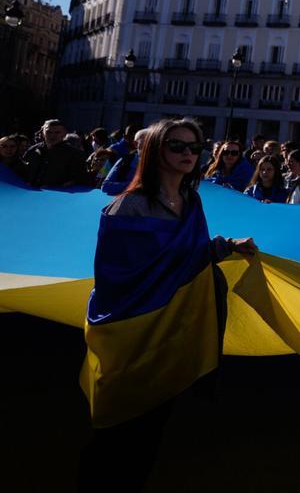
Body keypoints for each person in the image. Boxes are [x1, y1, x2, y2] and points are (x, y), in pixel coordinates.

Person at [79, 118, 256, 490]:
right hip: (131, 332)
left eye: (195, 147)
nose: (189, 153)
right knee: (116, 432)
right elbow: (115, 279)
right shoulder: (129, 207)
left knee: (151, 429)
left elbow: (188, 257)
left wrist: (226, 246)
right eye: (177, 146)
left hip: (169, 333)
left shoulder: (191, 202)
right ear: (155, 149)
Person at [22, 119, 90, 188]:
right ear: (43, 133)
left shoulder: (75, 154)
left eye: (57, 132)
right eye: (49, 132)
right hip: (30, 194)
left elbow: (80, 179)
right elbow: (22, 171)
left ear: (64, 134)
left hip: (56, 195)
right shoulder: (33, 150)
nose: (53, 135)